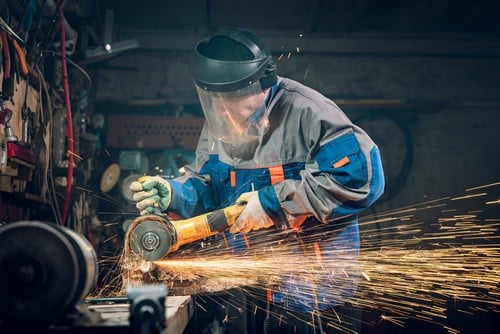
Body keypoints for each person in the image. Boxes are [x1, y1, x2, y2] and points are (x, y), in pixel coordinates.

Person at [129, 28, 385, 333]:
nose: (223, 109)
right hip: (251, 289)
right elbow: (211, 190)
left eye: (233, 96)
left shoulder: (309, 113)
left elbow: (361, 178)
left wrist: (272, 203)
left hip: (314, 296)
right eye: (214, 98)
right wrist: (176, 193)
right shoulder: (219, 126)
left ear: (263, 83)